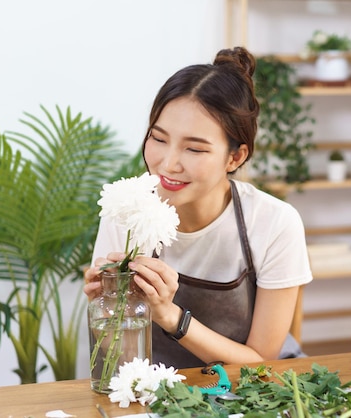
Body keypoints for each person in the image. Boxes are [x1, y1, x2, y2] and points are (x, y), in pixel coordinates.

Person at [83, 46, 313, 369]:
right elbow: (118, 359)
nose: (168, 164)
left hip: (250, 391)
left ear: (236, 157)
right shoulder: (126, 211)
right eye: (159, 139)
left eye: (194, 148)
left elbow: (262, 362)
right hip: (161, 392)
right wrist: (106, 310)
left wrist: (171, 316)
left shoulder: (273, 223)